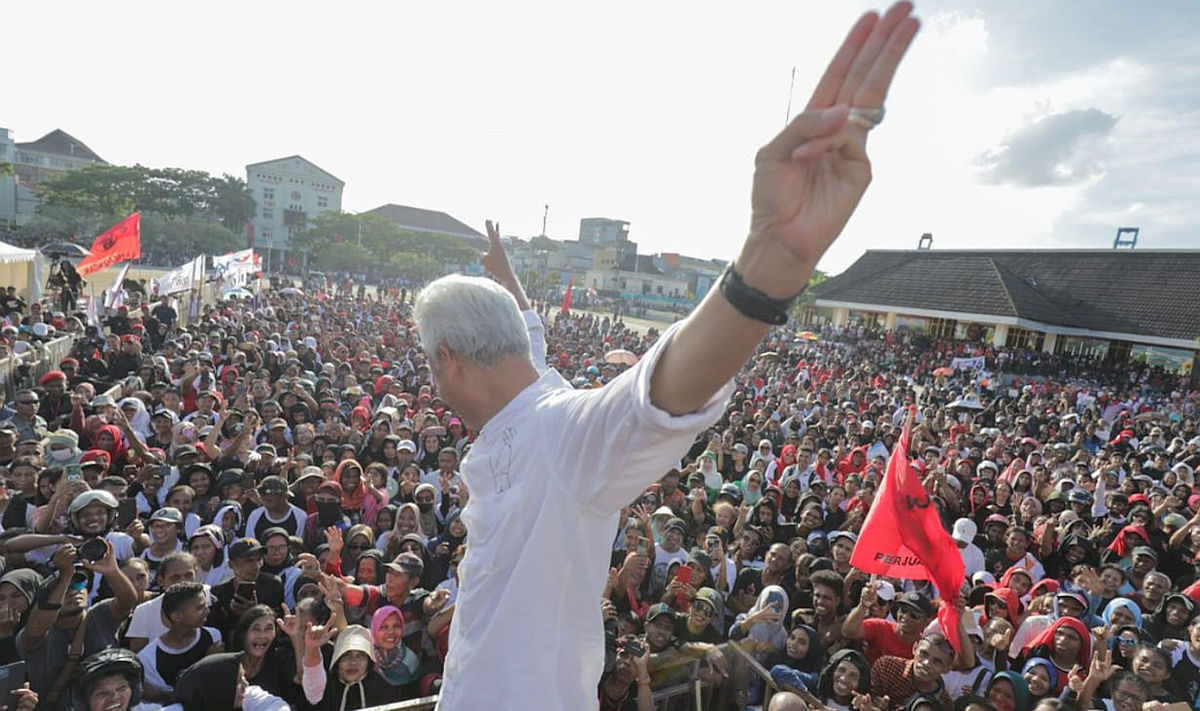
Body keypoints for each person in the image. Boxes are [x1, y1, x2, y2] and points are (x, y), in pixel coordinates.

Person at [428, 5, 921, 706]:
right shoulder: (530, 393)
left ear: (447, 359)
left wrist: (768, 265)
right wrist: (507, 283)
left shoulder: (557, 437)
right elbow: (529, 344)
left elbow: (653, 398)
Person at [136, 581, 222, 697]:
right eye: (200, 608)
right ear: (177, 616)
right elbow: (172, 699)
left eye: (206, 605)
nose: (207, 611)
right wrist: (206, 664)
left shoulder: (213, 637)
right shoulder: (149, 659)